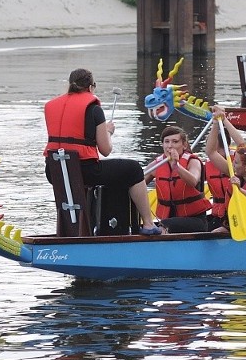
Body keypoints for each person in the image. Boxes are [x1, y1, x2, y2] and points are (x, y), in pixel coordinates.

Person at [43, 68, 161, 235]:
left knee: (82, 180)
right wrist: (108, 132)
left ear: (70, 85)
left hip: (54, 171)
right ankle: (148, 224)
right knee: (133, 169)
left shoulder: (51, 106)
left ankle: (73, 230)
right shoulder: (93, 108)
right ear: (92, 87)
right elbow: (106, 150)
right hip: (84, 170)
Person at [144, 126, 212, 233]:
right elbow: (138, 183)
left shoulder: (192, 162)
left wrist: (176, 166)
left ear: (184, 145)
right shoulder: (157, 165)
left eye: (175, 142)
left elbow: (193, 180)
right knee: (147, 226)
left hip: (195, 220)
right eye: (166, 142)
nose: (170, 146)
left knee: (164, 226)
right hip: (168, 220)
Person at [204, 115, 246, 231]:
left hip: (236, 211)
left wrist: (223, 120)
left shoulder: (237, 163)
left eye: (218, 151)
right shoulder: (206, 164)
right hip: (217, 213)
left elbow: (242, 145)